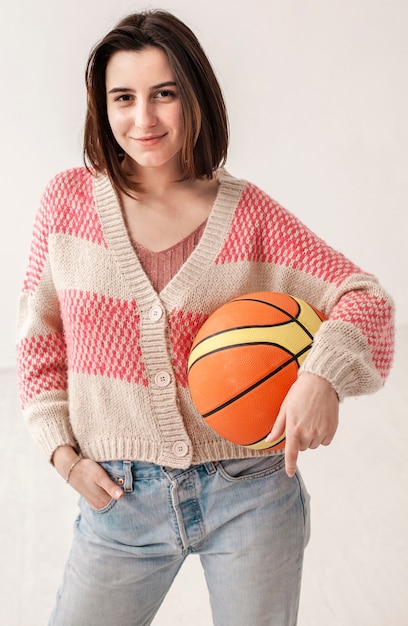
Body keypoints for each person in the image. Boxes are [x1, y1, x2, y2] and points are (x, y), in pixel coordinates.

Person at [16, 9, 394, 626]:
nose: (144, 118)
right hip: (119, 498)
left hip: (252, 492)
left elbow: (365, 298)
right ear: (101, 107)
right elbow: (39, 346)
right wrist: (64, 457)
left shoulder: (250, 217)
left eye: (164, 94)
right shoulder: (67, 205)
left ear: (194, 96)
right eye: (123, 97)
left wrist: (321, 375)